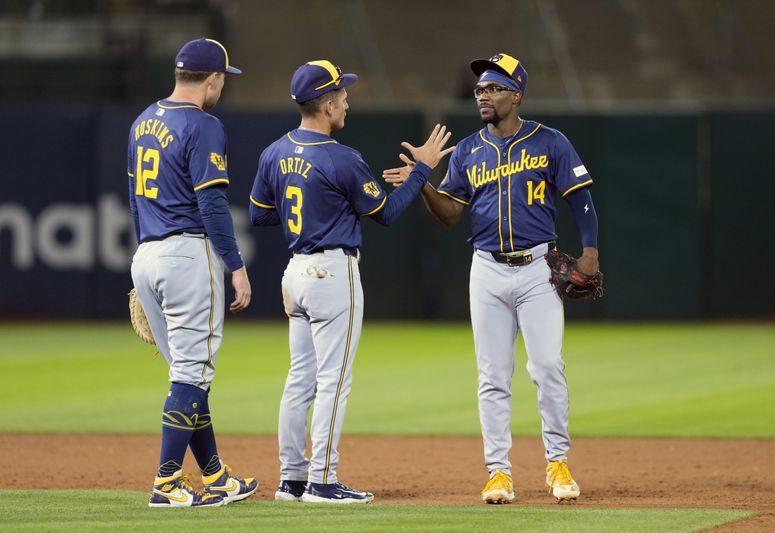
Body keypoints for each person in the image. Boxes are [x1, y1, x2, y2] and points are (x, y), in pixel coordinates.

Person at [383, 53, 599, 504]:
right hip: (486, 270)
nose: (483, 95)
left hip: (538, 268)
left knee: (547, 369)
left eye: (494, 88)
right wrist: (423, 183)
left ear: (516, 95)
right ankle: (498, 472)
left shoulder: (551, 142)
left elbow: (580, 199)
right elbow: (449, 215)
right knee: (492, 376)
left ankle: (557, 462)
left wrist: (591, 253)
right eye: (480, 89)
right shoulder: (467, 151)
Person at [249, 60, 454, 504]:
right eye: (342, 95)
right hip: (331, 273)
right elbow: (387, 214)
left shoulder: (274, 152)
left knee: (299, 379)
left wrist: (307, 210)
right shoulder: (342, 158)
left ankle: (292, 480)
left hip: (295, 272)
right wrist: (422, 170)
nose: (346, 101)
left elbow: (258, 215)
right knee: (333, 381)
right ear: (325, 104)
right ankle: (322, 481)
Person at [128, 38, 258, 508]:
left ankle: (216, 476)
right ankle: (166, 482)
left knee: (188, 375)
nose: (223, 85)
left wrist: (143, 267)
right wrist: (236, 266)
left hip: (147, 253)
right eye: (224, 78)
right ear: (212, 79)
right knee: (191, 373)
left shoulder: (143, 120)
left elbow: (136, 201)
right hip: (186, 254)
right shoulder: (203, 124)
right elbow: (211, 202)